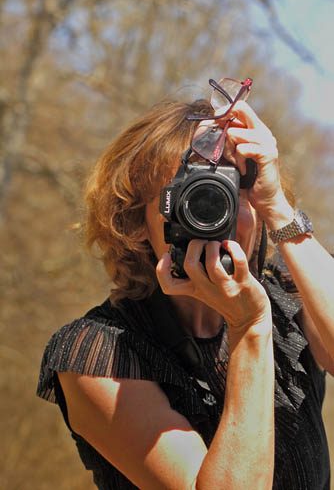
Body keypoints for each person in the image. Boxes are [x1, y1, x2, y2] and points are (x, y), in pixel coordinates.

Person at [37, 77, 333, 490]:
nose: (213, 213)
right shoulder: (98, 354)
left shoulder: (287, 295)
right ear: (135, 222)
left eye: (231, 192)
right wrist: (249, 329)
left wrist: (278, 209)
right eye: (192, 194)